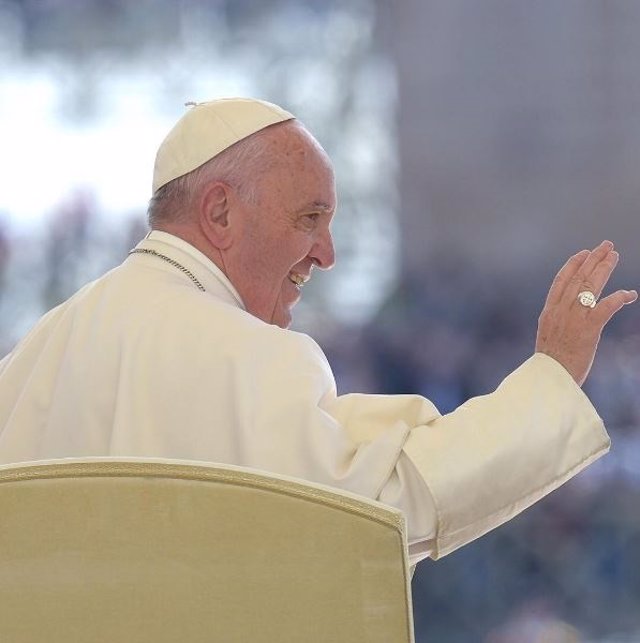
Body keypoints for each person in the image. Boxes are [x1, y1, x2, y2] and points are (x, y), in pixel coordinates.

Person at [0, 97, 636, 566]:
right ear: (219, 211)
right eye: (310, 217)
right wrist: (551, 379)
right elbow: (374, 515)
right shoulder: (249, 355)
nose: (326, 253)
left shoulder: (39, 351)